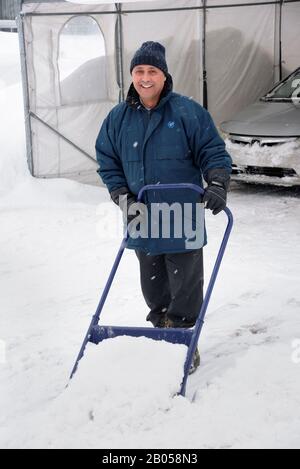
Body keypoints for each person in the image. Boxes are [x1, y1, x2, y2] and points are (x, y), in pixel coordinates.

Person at [96, 41, 232, 373]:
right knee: (153, 282)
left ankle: (184, 337)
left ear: (163, 75)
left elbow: (213, 152)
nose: (145, 78)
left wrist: (216, 183)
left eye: (152, 71)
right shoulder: (118, 118)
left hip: (181, 213)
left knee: (185, 282)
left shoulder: (187, 112)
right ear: (132, 75)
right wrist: (121, 196)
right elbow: (107, 160)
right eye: (139, 71)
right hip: (140, 214)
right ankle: (162, 330)